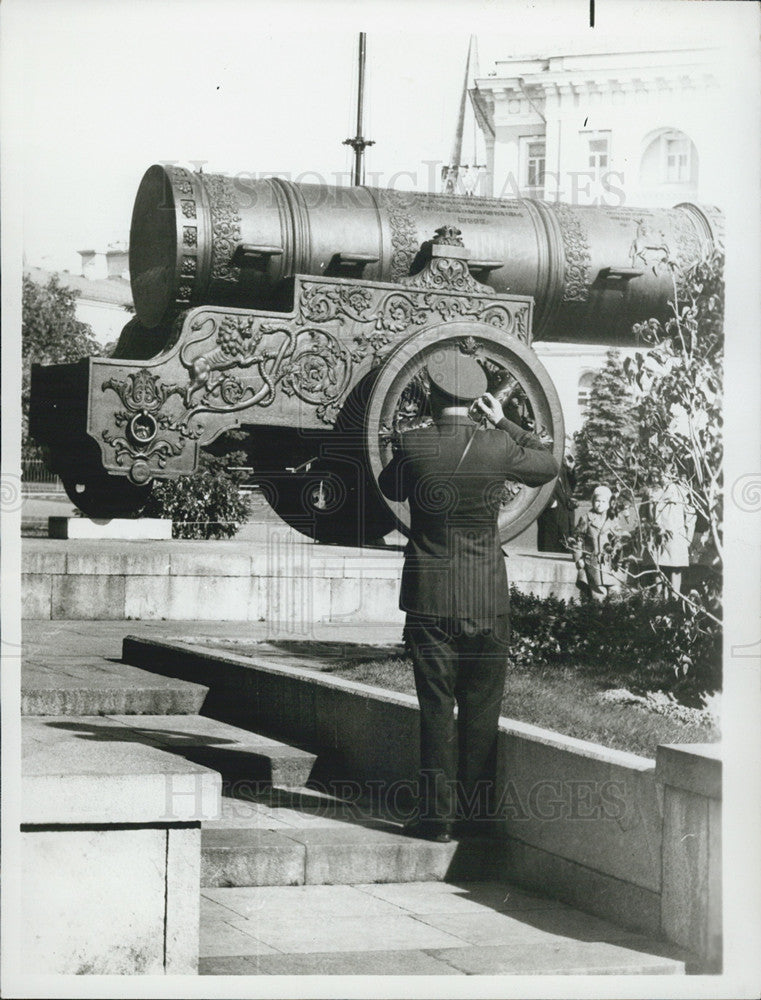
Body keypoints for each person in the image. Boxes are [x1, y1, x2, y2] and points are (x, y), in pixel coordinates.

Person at [378, 347, 558, 842]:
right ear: (475, 398)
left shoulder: (413, 446)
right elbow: (549, 466)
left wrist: (405, 439)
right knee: (482, 709)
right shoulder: (497, 445)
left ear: (433, 394)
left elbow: (390, 487)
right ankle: (477, 823)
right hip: (486, 597)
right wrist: (507, 424)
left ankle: (435, 820)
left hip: (430, 598)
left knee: (436, 708)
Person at [571, 485, 623, 600]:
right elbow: (578, 540)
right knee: (598, 595)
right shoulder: (586, 518)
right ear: (593, 501)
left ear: (609, 503)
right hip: (594, 563)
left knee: (615, 593)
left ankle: (616, 616)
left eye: (603, 501)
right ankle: (598, 615)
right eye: (597, 501)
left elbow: (619, 540)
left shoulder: (613, 519)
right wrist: (578, 559)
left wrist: (618, 556)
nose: (599, 504)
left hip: (610, 563)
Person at [649, 474, 697, 595]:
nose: (662, 477)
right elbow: (648, 515)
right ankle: (658, 599)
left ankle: (674, 598)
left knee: (675, 569)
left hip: (676, 536)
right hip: (658, 536)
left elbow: (691, 515)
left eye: (666, 474)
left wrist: (687, 538)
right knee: (658, 568)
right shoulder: (654, 491)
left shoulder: (680, 492)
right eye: (661, 474)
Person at [537, 452, 577, 552]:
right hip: (550, 515)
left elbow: (571, 487)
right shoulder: (544, 462)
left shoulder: (563, 468)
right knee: (549, 548)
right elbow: (537, 486)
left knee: (566, 547)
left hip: (566, 515)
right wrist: (550, 502)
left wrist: (571, 468)